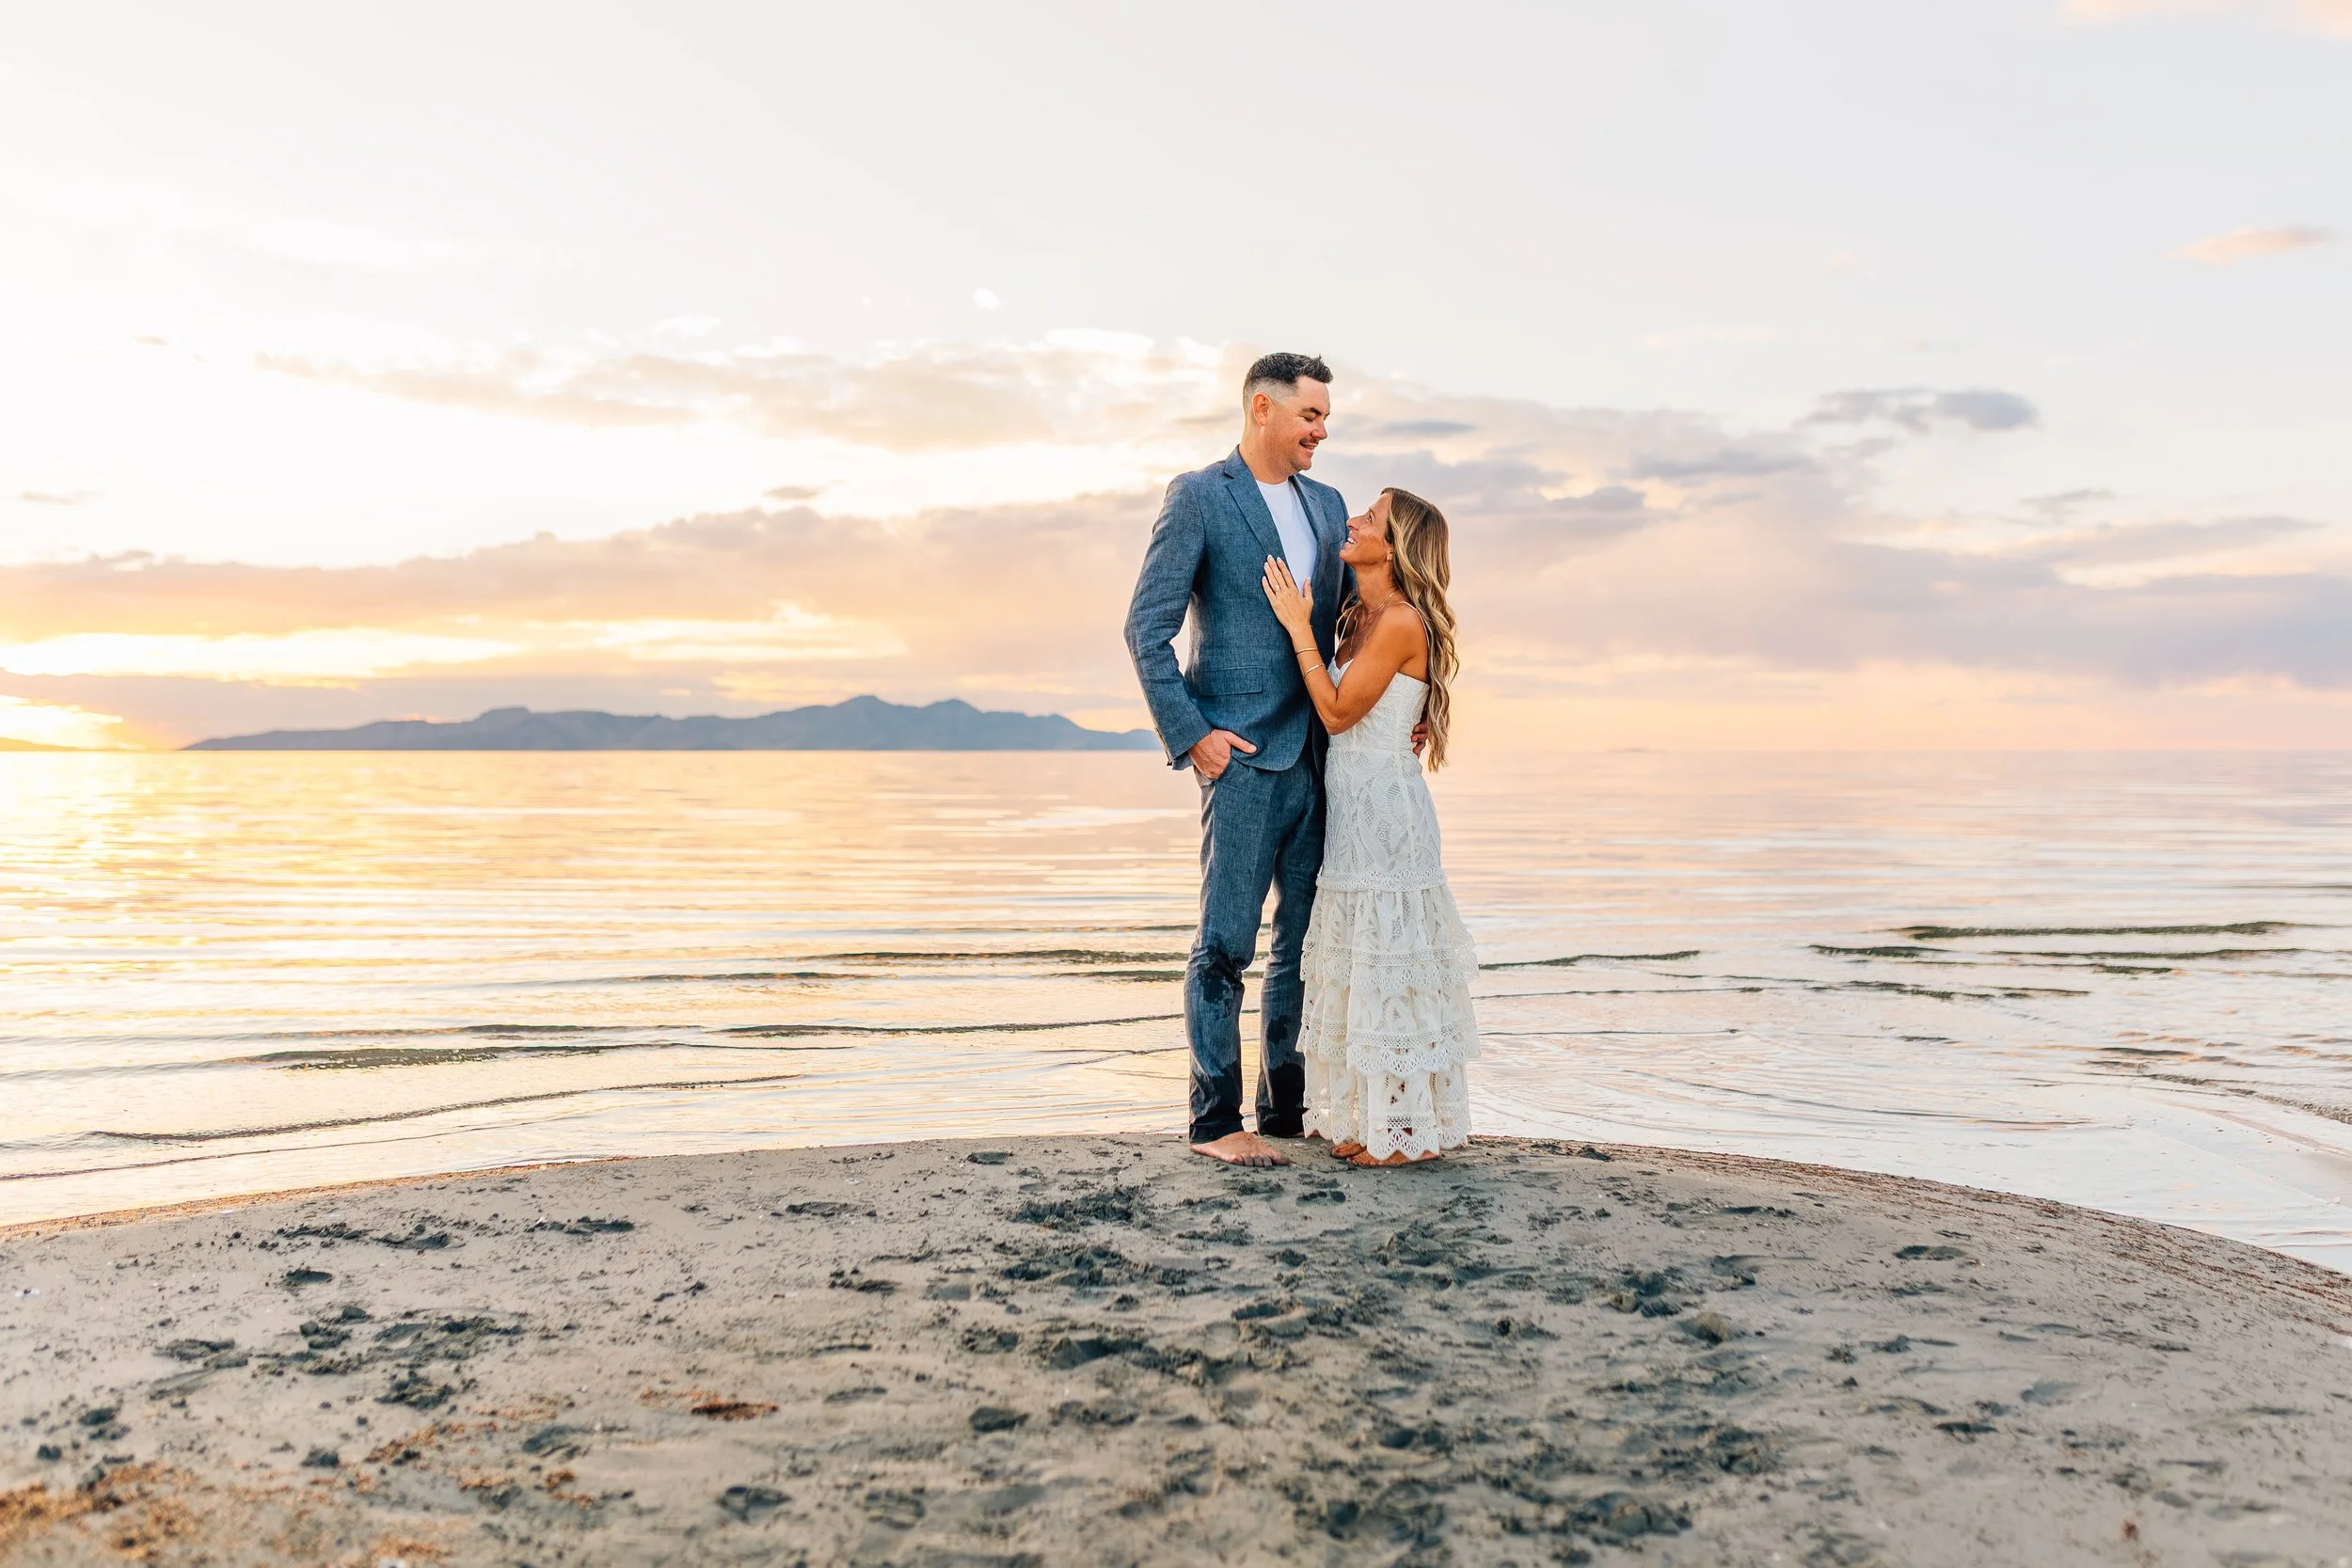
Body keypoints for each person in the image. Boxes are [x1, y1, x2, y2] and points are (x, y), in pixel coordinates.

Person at [1124, 352, 1349, 1167]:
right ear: (1263, 409)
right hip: (1242, 759)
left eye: (1325, 417)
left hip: (1321, 756)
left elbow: (1349, 628)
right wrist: (1193, 736)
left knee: (1302, 945)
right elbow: (1144, 629)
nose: (1323, 430)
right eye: (1311, 416)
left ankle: (1282, 1114)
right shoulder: (1198, 498)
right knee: (1224, 946)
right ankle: (1215, 1121)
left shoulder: (1328, 506)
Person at [1261, 488, 1479, 1165]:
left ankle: (1409, 1135)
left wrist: (1297, 627)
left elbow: (1335, 712)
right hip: (1351, 813)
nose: (1352, 520)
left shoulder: (1400, 622)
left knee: (1394, 968)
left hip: (1387, 815)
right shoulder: (1357, 616)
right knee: (1362, 966)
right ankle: (1378, 1122)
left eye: (1371, 518)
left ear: (1396, 545)